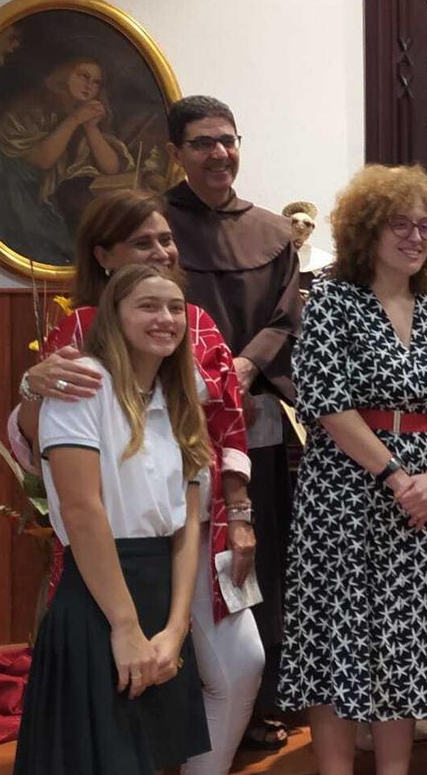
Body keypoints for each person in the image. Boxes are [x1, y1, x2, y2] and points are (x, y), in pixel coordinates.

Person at [7, 190, 264, 774]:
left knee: (234, 667)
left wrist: (240, 514)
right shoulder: (80, 344)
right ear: (104, 257)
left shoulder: (192, 336)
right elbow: (57, 467)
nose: (160, 252)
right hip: (110, 560)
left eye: (165, 240)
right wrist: (29, 389)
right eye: (142, 244)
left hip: (190, 541)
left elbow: (220, 428)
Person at [277, 165, 427, 775]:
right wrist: (395, 476)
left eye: (426, 226)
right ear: (368, 229)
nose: (415, 237)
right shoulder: (333, 299)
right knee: (340, 640)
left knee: (404, 641)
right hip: (346, 490)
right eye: (400, 224)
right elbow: (325, 400)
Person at [13, 264, 211, 773]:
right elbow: (82, 511)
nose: (165, 318)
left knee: (154, 758)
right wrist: (124, 627)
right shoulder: (84, 385)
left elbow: (189, 525)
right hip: (102, 594)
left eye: (174, 307)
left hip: (161, 590)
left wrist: (176, 626)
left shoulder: (181, 393)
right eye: (147, 306)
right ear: (113, 316)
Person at [162, 95, 303, 748]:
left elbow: (286, 317)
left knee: (258, 554)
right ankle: (179, 704)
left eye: (228, 140)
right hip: (172, 419)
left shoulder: (275, 232)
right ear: (177, 153)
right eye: (203, 143)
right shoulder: (155, 226)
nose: (220, 154)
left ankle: (258, 701)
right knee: (185, 557)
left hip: (253, 413)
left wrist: (244, 367)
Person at [0, 57, 132, 264]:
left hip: (42, 194)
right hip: (6, 189)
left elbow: (111, 167)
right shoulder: (35, 106)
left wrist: (91, 128)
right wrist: (75, 120)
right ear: (65, 74)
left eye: (96, 82)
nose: (89, 86)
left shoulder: (85, 113)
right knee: (50, 249)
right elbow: (43, 160)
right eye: (83, 76)